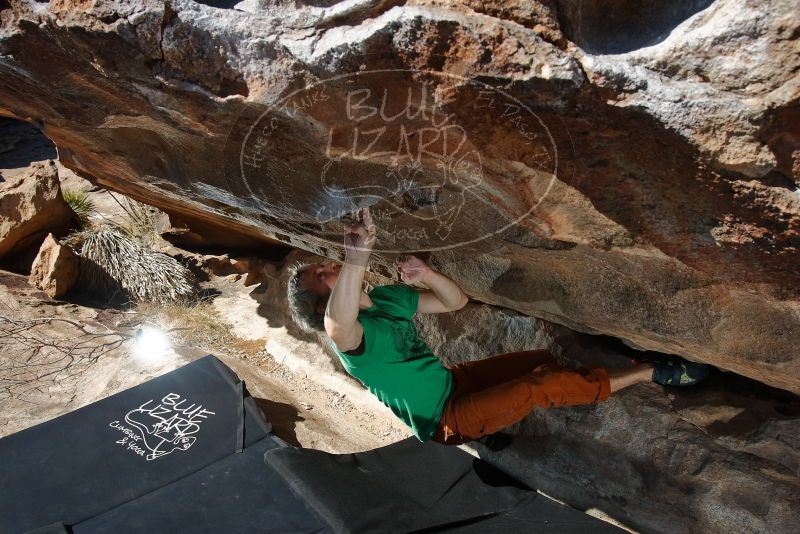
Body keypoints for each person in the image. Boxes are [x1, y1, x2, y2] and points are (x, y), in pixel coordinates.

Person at [287, 207, 710, 445]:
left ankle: (494, 425)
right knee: (538, 386)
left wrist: (427, 275)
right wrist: (357, 252)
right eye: (321, 273)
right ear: (325, 298)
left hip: (453, 382)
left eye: (324, 262)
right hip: (444, 419)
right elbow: (337, 323)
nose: (330, 264)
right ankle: (651, 372)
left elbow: (457, 302)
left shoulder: (386, 300)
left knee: (542, 361)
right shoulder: (350, 339)